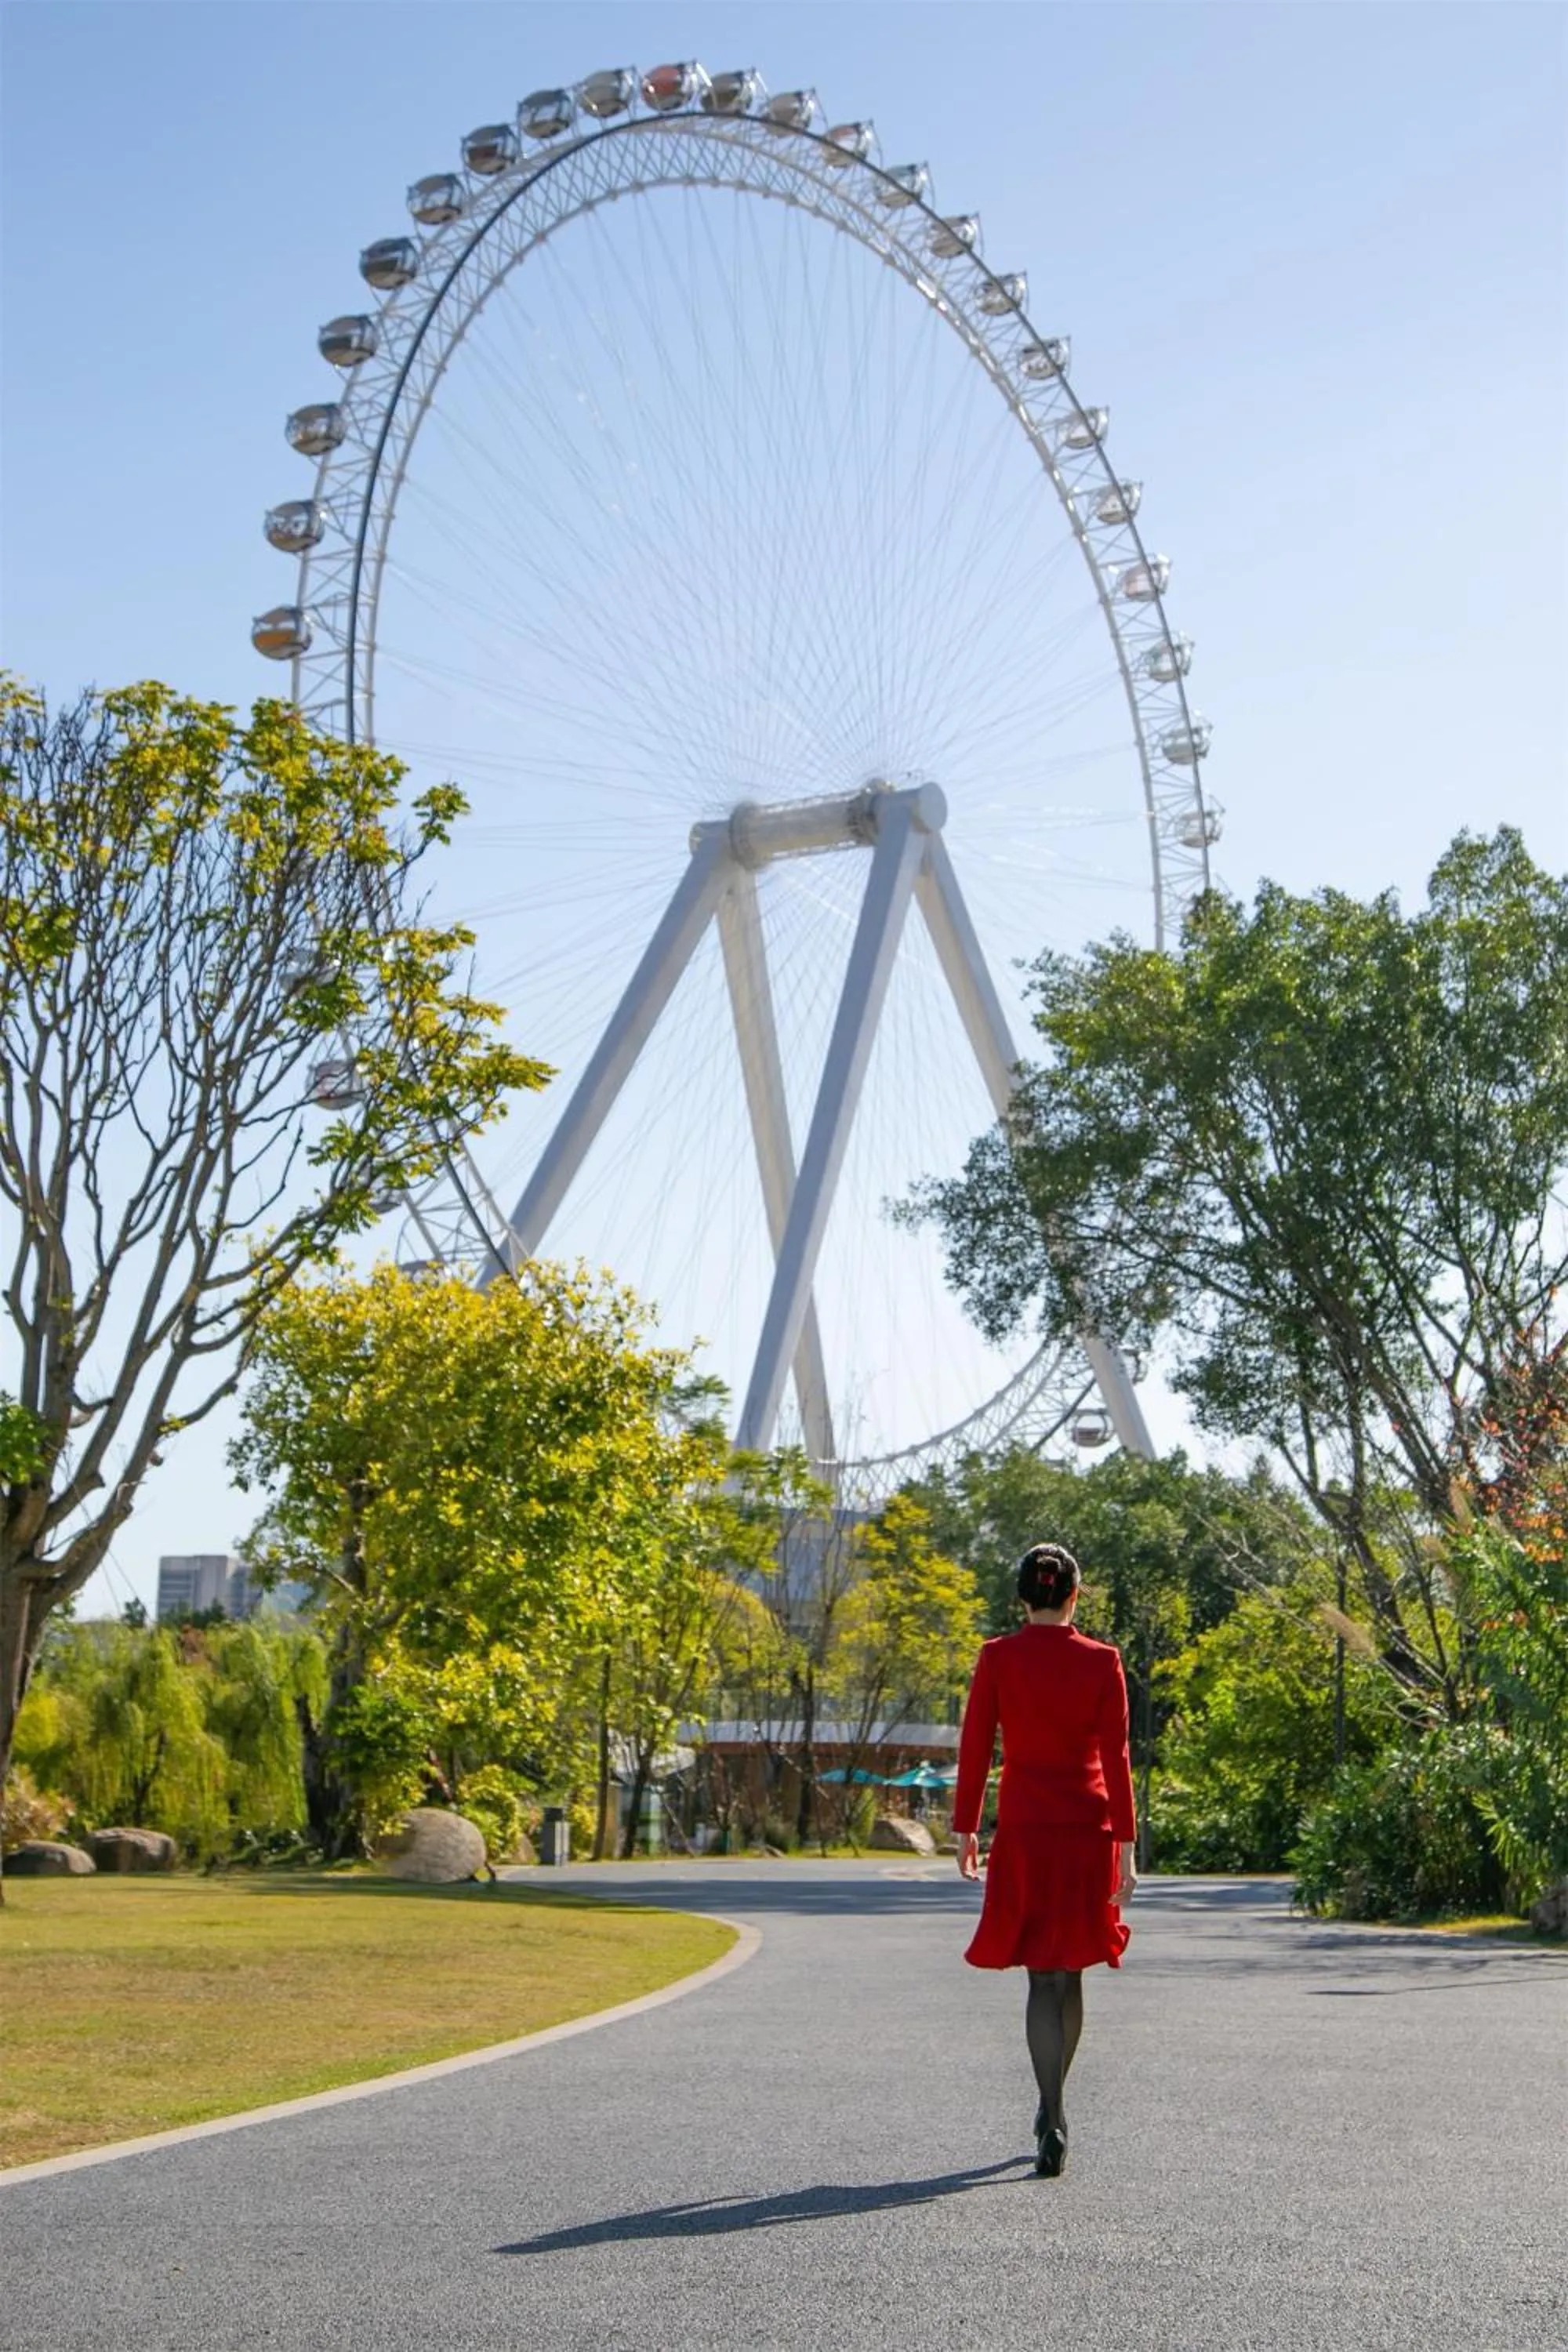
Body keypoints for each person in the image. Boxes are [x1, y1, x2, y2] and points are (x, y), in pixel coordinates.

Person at [953, 1541, 1138, 2178]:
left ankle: (1052, 2112)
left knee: (1040, 1976)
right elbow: (1117, 1758)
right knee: (1073, 1972)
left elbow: (976, 1746)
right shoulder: (1103, 1661)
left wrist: (967, 1828)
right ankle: (1053, 2105)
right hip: (1089, 1829)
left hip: (1027, 1828)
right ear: (1074, 1594)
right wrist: (1128, 1847)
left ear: (1022, 1596)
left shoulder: (997, 1658)